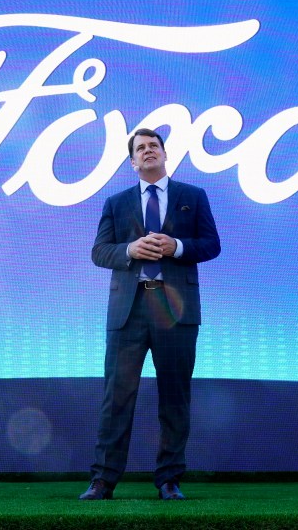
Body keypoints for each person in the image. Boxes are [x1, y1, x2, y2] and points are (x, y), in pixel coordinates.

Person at [80, 128, 221, 501]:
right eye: (140, 148)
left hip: (176, 311)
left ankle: (169, 479)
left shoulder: (193, 196)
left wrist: (176, 246)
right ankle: (103, 480)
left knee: (175, 397)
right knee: (117, 396)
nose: (147, 151)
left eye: (153, 146)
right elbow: (99, 252)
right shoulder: (116, 202)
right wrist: (130, 250)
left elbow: (211, 245)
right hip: (129, 311)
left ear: (164, 153)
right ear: (132, 161)